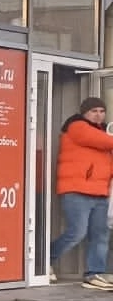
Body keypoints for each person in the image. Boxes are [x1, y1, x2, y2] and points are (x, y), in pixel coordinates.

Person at [49, 97, 113, 290]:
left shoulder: (104, 134)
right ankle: (43, 261)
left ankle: (95, 273)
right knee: (77, 232)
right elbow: (99, 141)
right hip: (77, 190)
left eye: (102, 111)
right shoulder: (76, 125)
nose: (99, 115)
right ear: (84, 112)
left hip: (99, 192)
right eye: (94, 111)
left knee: (100, 235)